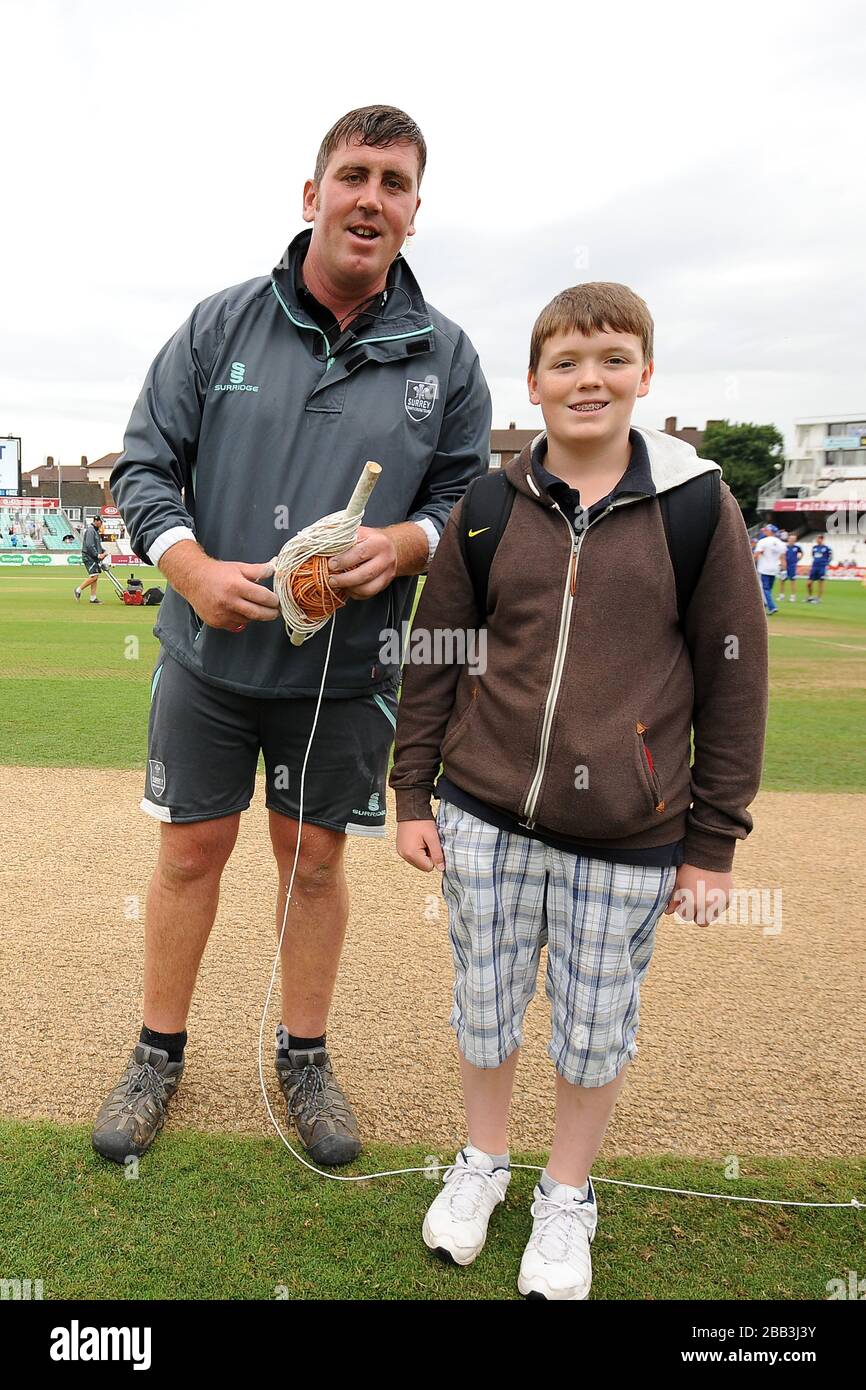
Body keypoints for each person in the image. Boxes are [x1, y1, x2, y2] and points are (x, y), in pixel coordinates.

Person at [94, 105, 491, 1168]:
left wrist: (408, 541)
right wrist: (186, 565)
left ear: (413, 213)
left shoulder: (443, 356)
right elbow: (140, 465)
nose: (371, 197)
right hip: (209, 660)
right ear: (309, 195)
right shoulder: (219, 324)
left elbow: (471, 498)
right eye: (352, 175)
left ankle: (303, 1056)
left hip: (347, 669)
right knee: (187, 856)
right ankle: (157, 1052)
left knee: (314, 864)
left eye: (394, 183)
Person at [390, 283, 768, 1299]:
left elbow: (733, 677)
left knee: (593, 1025)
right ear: (533, 382)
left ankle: (566, 1195)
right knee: (483, 1007)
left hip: (629, 830)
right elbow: (436, 652)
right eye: (564, 362)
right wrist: (411, 792)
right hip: (482, 814)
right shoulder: (485, 504)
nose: (586, 379)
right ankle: (480, 1164)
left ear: (645, 375)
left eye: (609, 359)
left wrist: (712, 842)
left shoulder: (697, 507)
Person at [753, 527, 787, 615]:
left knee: (765, 589)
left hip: (764, 568)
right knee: (768, 589)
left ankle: (772, 607)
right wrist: (784, 570)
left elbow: (756, 555)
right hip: (775, 568)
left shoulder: (763, 541)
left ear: (770, 531)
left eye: (766, 530)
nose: (764, 531)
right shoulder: (781, 543)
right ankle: (764, 605)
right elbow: (783, 558)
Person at [74, 516, 107, 603]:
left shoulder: (95, 531)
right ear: (96, 521)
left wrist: (103, 551)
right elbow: (89, 545)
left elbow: (97, 545)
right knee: (94, 576)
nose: (101, 524)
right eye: (101, 522)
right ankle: (78, 589)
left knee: (95, 576)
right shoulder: (91, 531)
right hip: (89, 557)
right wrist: (97, 555)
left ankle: (93, 597)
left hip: (92, 557)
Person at [806, 534, 832, 602]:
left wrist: (826, 564)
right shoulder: (814, 547)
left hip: (822, 567)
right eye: (816, 538)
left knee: (820, 583)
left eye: (818, 538)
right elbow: (813, 555)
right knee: (809, 583)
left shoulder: (827, 548)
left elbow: (830, 557)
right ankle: (810, 597)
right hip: (814, 567)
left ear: (822, 539)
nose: (817, 540)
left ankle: (818, 598)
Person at [779, 530, 803, 601]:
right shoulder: (784, 547)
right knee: (782, 580)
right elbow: (781, 556)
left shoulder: (797, 547)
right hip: (784, 566)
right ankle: (782, 596)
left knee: (792, 581)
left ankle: (793, 596)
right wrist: (782, 564)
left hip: (792, 566)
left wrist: (798, 559)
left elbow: (801, 554)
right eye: (791, 539)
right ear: (788, 539)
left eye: (794, 539)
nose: (792, 540)